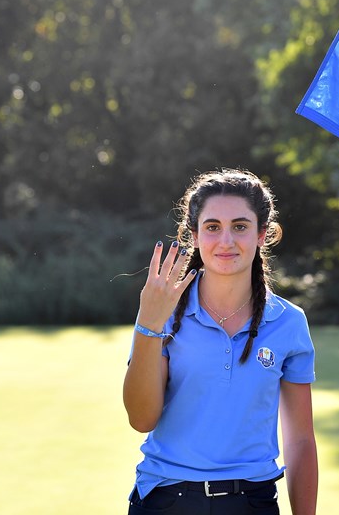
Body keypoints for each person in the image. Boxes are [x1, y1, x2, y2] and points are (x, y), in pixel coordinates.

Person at [123, 168, 318, 515]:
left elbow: (300, 440)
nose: (226, 240)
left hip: (252, 502)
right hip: (166, 500)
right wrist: (148, 327)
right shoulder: (163, 312)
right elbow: (141, 419)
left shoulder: (289, 322)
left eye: (240, 226)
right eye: (213, 227)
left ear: (262, 235)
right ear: (194, 235)